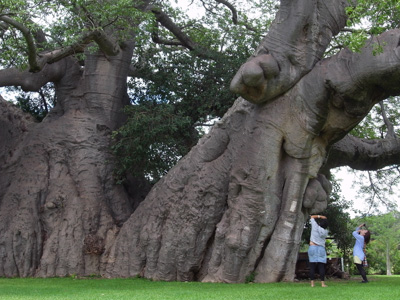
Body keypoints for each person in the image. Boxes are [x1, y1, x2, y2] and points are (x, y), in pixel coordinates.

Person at [308, 215, 329, 287]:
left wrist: (320, 216)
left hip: (313, 247)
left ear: (320, 223)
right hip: (321, 248)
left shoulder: (315, 227)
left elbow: (312, 217)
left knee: (312, 266)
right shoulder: (325, 232)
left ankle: (312, 283)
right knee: (321, 266)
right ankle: (322, 284)